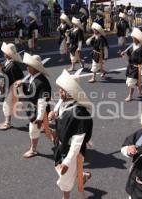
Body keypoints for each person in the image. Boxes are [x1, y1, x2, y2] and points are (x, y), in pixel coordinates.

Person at [50, 69, 93, 199]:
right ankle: (81, 175)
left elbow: (77, 143)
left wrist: (68, 162)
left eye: (63, 90)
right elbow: (62, 117)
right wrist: (55, 116)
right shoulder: (64, 103)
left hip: (72, 151)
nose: (60, 92)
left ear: (71, 93)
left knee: (64, 179)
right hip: (61, 145)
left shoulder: (80, 113)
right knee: (60, 169)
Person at [15, 53, 51, 158]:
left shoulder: (42, 82)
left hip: (39, 111)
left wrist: (39, 118)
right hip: (34, 108)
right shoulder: (33, 78)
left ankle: (33, 149)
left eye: (29, 66)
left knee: (33, 129)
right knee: (47, 129)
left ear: (35, 68)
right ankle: (57, 140)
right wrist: (22, 85)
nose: (27, 67)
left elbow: (42, 102)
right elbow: (30, 90)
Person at [0, 42, 24, 130]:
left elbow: (11, 77)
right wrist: (0, 69)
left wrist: (0, 70)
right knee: (8, 104)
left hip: (11, 87)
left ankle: (8, 122)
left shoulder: (12, 66)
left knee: (7, 104)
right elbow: (6, 74)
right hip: (10, 87)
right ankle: (7, 121)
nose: (4, 54)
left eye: (6, 52)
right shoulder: (9, 63)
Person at [121, 27, 142, 102]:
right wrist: (124, 54)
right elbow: (128, 58)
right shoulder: (131, 47)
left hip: (137, 68)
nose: (132, 39)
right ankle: (139, 84)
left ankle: (130, 96)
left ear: (137, 39)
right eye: (132, 38)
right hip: (130, 67)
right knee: (131, 81)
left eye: (134, 38)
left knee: (130, 82)